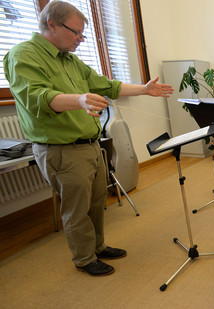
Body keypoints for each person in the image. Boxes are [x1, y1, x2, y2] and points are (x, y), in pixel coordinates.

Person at [3, 1, 174, 277]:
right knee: (76, 209)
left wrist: (143, 89)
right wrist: (79, 99)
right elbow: (37, 97)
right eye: (77, 33)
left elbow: (107, 85)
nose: (81, 40)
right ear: (52, 24)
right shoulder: (23, 55)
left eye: (83, 35)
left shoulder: (70, 60)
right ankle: (84, 258)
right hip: (61, 149)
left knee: (96, 202)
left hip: (91, 145)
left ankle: (98, 245)